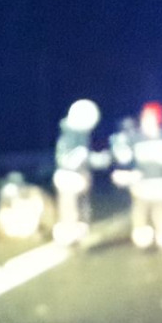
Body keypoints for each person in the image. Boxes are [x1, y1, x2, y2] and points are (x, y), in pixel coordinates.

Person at [118, 101, 162, 250]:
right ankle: (142, 238)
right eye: (144, 118)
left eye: (150, 118)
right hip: (141, 182)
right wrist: (125, 173)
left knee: (160, 210)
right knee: (139, 210)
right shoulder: (135, 139)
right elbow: (125, 160)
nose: (146, 122)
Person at [53, 98, 101, 244]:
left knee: (79, 206)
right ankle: (68, 233)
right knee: (70, 206)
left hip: (75, 175)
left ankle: (76, 231)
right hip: (69, 175)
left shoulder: (79, 135)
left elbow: (84, 157)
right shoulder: (69, 135)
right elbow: (67, 160)